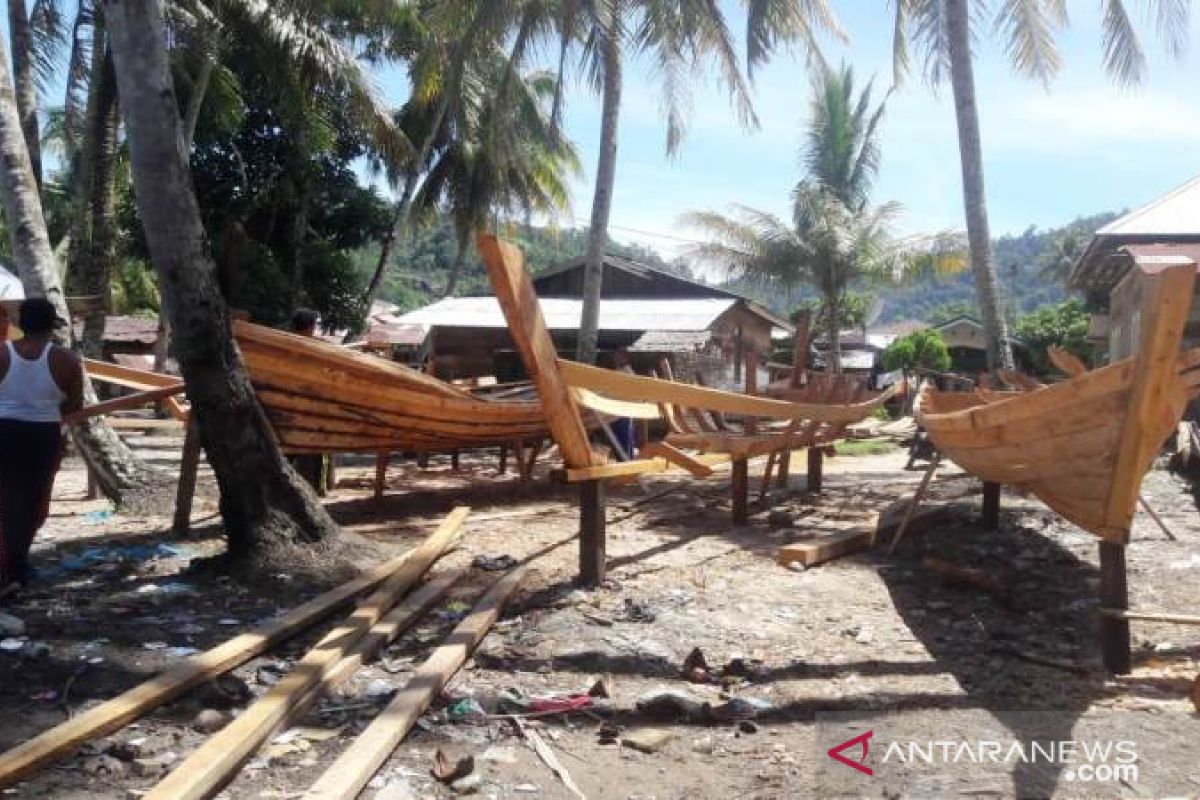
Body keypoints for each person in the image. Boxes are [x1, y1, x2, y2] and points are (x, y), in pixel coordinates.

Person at [0, 298, 83, 588]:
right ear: (51, 326)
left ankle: (9, 565)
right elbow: (74, 407)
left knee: (5, 498)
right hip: (43, 435)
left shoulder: (2, 353)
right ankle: (18, 563)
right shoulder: (67, 360)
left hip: (4, 431)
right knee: (34, 500)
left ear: (21, 324)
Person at [609, 348, 637, 461]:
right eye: (615, 356)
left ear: (625, 357)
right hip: (615, 413)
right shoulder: (618, 373)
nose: (615, 358)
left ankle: (626, 464)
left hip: (622, 413)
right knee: (620, 441)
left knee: (624, 440)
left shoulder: (627, 373)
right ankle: (625, 462)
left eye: (618, 356)